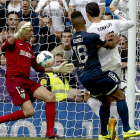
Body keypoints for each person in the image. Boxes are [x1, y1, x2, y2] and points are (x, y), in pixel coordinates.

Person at [70, 11, 140, 140]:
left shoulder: (73, 39)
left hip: (83, 78)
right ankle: (127, 130)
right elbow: (110, 45)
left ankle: (103, 133)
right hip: (97, 74)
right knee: (120, 96)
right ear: (85, 22)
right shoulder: (91, 36)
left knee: (105, 101)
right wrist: (114, 39)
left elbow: (76, 58)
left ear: (73, 25)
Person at [0, 21, 74, 139]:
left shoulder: (29, 47)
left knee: (50, 97)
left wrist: (57, 68)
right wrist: (18, 33)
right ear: (22, 31)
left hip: (26, 80)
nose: (32, 33)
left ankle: (50, 134)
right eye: (29, 30)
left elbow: (38, 68)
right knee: (29, 112)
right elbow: (3, 46)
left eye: (32, 30)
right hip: (14, 80)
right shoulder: (13, 41)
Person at [84, 3, 134, 140]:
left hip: (99, 69)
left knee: (90, 97)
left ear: (87, 14)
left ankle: (107, 128)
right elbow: (131, 22)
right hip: (115, 66)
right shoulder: (113, 23)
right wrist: (116, 10)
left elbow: (91, 51)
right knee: (116, 97)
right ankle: (115, 127)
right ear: (100, 11)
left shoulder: (90, 31)